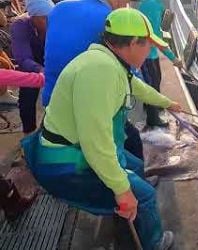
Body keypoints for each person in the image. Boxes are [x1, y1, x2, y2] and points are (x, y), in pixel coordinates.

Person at [21, 8, 181, 249]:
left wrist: (168, 103)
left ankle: (131, 202)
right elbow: (96, 144)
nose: (151, 51)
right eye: (148, 45)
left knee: (135, 165)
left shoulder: (109, 61)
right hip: (66, 162)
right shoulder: (100, 71)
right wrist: (122, 190)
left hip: (77, 148)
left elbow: (137, 87)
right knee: (143, 196)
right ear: (132, 43)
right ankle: (153, 242)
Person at [42, 0, 150, 168]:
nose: (126, 6)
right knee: (130, 141)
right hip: (82, 106)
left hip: (51, 100)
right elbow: (129, 70)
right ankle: (133, 187)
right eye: (126, 2)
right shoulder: (109, 19)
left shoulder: (58, 8)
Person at [10, 0, 54, 134]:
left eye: (51, 17)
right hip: (30, 62)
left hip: (50, 58)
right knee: (27, 94)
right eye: (45, 18)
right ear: (33, 17)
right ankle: (28, 133)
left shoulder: (56, 22)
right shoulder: (20, 25)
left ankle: (52, 132)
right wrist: (40, 70)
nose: (49, 21)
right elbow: (23, 58)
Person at [138, 0, 183, 128]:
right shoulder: (152, 6)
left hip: (152, 53)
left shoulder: (154, 5)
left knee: (156, 80)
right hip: (145, 55)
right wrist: (174, 59)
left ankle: (152, 106)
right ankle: (153, 119)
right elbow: (156, 36)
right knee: (151, 85)